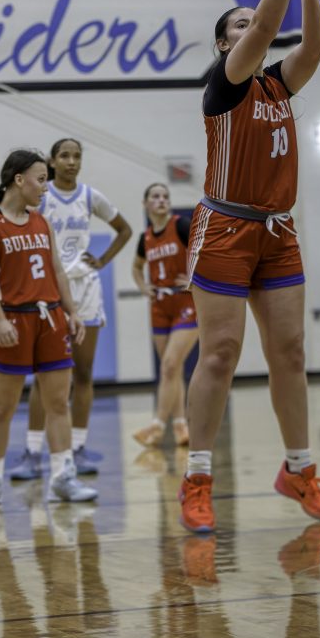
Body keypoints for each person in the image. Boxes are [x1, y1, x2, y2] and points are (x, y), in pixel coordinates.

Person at [179, 0, 320, 534]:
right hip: (225, 227)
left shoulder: (277, 83)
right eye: (240, 24)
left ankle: (299, 470)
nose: (253, 27)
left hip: (277, 231)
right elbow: (271, 29)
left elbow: (313, 47)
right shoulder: (225, 84)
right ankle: (197, 479)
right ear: (225, 43)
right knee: (220, 353)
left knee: (290, 352)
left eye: (254, 21)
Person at [0, 148, 98, 508]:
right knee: (3, 407)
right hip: (13, 318)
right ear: (18, 179)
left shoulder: (42, 222)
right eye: (41, 180)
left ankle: (63, 477)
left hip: (51, 318)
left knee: (58, 403)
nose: (45, 187)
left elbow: (57, 271)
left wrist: (72, 312)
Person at [10, 138, 132, 479]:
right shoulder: (41, 196)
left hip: (85, 288)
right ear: (52, 161)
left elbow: (124, 230)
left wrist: (102, 260)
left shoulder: (90, 196)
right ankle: (33, 453)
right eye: (64, 155)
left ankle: (77, 448)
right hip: (48, 290)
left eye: (77, 156)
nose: (71, 161)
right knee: (44, 376)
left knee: (83, 374)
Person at [132, 183, 197, 448]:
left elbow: (205, 250)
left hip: (185, 302)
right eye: (155, 196)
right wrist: (143, 286)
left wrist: (195, 278)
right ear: (145, 204)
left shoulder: (181, 225)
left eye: (165, 196)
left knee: (170, 365)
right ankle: (181, 426)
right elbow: (137, 268)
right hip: (159, 304)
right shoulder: (145, 238)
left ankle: (157, 426)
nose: (161, 200)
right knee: (172, 369)